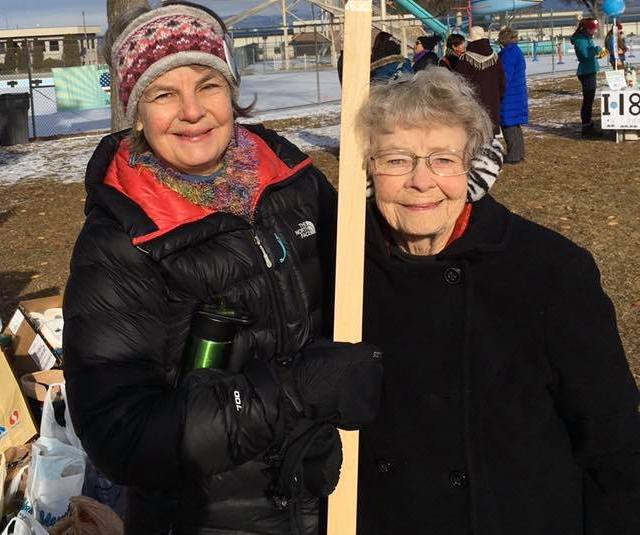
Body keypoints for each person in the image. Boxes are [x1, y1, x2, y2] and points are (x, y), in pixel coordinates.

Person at [62, 2, 383, 534]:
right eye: (164, 93)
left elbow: (365, 276)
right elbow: (122, 437)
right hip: (208, 518)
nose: (192, 111)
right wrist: (294, 390)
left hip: (330, 488)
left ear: (232, 91)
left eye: (207, 85)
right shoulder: (120, 242)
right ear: (137, 111)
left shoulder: (291, 180)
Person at [354, 68, 640, 535]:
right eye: (397, 160)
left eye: (443, 160)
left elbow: (611, 438)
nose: (421, 182)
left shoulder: (550, 271)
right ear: (368, 171)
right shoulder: (342, 271)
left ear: (473, 168)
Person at [454, 26, 505, 135]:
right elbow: (502, 82)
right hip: (492, 101)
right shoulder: (494, 57)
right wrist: (498, 97)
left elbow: (458, 82)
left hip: (474, 103)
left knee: (476, 135)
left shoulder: (465, 58)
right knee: (490, 134)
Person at [571, 18, 607, 137]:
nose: (594, 31)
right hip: (586, 72)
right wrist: (596, 50)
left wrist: (599, 54)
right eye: (592, 29)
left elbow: (589, 55)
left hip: (590, 70)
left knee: (589, 100)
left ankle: (588, 123)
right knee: (588, 101)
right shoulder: (581, 39)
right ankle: (586, 126)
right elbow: (586, 55)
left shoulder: (586, 38)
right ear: (586, 28)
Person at [498, 27, 528, 164]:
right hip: (517, 93)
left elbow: (504, 76)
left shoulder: (507, 54)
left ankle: (513, 155)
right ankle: (518, 153)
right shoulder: (516, 51)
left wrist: (498, 89)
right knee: (514, 125)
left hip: (509, 95)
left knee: (508, 124)